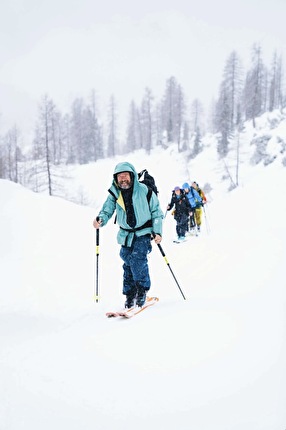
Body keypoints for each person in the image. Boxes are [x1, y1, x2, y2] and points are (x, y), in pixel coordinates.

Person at [93, 162, 164, 309]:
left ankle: (142, 291)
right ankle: (130, 294)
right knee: (127, 263)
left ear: (132, 176)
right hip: (125, 234)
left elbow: (156, 211)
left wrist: (157, 232)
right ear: (116, 178)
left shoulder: (144, 190)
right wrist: (101, 219)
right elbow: (107, 209)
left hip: (143, 232)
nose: (123, 179)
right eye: (120, 177)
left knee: (138, 260)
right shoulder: (115, 192)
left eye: (125, 176)